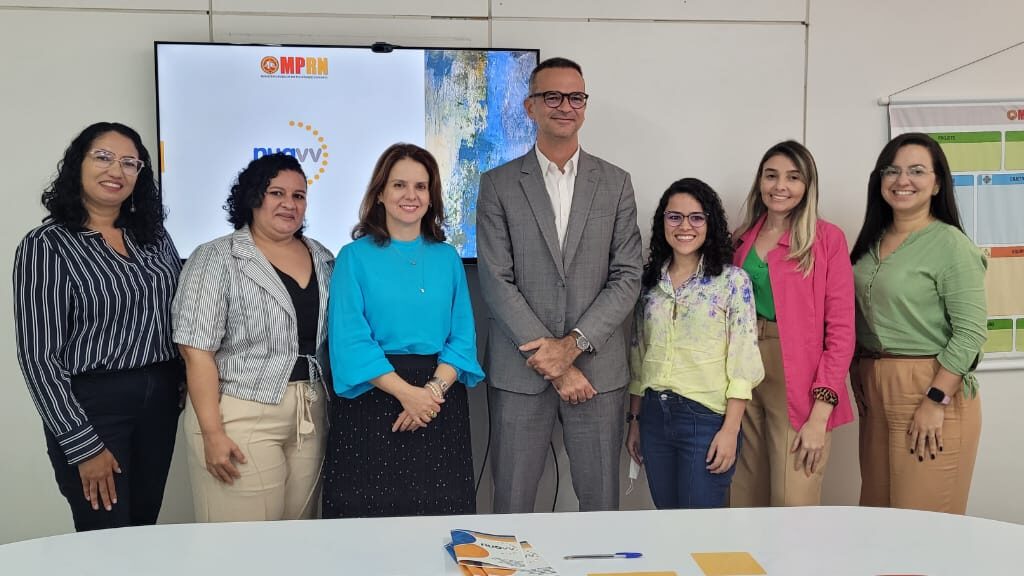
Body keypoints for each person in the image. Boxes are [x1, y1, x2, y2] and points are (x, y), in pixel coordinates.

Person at [477, 57, 642, 513]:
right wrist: (555, 362)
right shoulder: (498, 185)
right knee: (510, 506)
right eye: (552, 96)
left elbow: (628, 275)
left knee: (601, 506)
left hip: (598, 373)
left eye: (575, 97)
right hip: (520, 373)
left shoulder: (615, 183)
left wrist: (573, 346)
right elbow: (495, 280)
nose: (564, 106)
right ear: (531, 106)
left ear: (585, 107)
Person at [14, 122, 183, 531]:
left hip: (160, 400)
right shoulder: (47, 245)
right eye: (103, 157)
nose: (117, 171)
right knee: (104, 537)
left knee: (143, 528)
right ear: (77, 165)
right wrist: (82, 445)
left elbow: (181, 313)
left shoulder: (155, 238)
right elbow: (38, 357)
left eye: (130, 163)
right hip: (93, 406)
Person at [322, 143, 484, 518]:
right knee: (367, 527)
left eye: (421, 186)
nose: (410, 195)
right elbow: (350, 340)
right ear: (380, 193)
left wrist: (429, 393)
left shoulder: (448, 259)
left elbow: (462, 338)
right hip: (373, 399)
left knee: (439, 521)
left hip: (438, 402)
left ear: (432, 197)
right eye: (399, 185)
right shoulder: (353, 256)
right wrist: (407, 395)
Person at [172, 153, 334, 522]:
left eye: (299, 195)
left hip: (310, 411)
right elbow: (196, 351)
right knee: (243, 546)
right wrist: (212, 432)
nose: (289, 204)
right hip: (239, 412)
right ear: (252, 197)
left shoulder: (324, 257)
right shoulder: (216, 257)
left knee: (300, 537)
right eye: (277, 192)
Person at [850, 132, 986, 515]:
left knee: (923, 522)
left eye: (916, 170)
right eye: (891, 170)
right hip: (875, 387)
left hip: (929, 386)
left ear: (937, 182)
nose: (902, 180)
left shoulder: (950, 245)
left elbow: (972, 331)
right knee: (878, 515)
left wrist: (935, 399)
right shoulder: (871, 241)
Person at [728, 141, 855, 507]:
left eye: (792, 177)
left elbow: (842, 330)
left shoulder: (827, 239)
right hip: (745, 369)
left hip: (799, 376)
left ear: (807, 186)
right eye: (771, 176)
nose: (780, 186)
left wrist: (821, 413)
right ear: (760, 182)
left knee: (792, 500)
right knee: (743, 496)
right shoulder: (742, 238)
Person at [625, 178, 763, 509]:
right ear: (663, 223)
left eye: (696, 217)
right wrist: (635, 423)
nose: (685, 226)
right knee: (668, 522)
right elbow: (639, 355)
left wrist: (730, 430)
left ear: (709, 223)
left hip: (705, 420)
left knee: (700, 532)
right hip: (655, 417)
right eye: (675, 217)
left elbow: (743, 361)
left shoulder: (731, 282)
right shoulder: (648, 285)